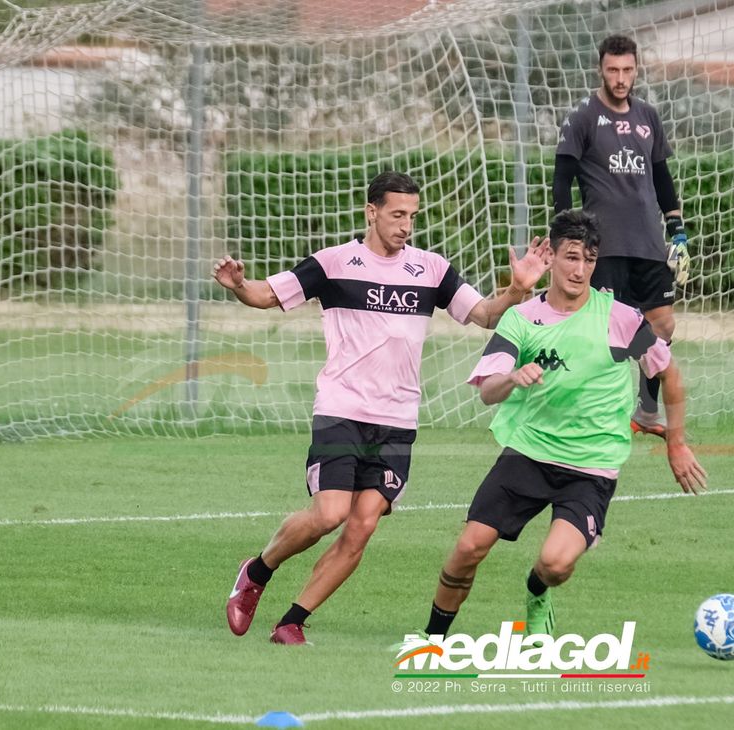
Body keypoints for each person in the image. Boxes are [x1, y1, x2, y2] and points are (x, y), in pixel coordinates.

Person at [213, 170, 551, 645]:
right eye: (397, 215)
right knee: (329, 514)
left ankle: (292, 621)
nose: (405, 225)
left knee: (363, 526)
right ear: (371, 212)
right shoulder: (334, 263)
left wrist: (517, 289)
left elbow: (484, 315)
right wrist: (238, 286)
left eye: (412, 216)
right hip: (342, 408)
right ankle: (257, 572)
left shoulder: (431, 269)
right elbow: (266, 295)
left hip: (397, 420)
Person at [419, 209, 706, 641]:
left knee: (554, 564)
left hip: (590, 466)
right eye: (571, 257)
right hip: (528, 454)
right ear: (551, 257)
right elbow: (488, 390)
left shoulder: (620, 318)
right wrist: (513, 377)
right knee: (468, 547)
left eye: (589, 260)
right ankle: (432, 641)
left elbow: (669, 373)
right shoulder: (521, 318)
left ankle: (537, 592)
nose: (580, 270)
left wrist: (676, 443)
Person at [553, 34, 689, 439]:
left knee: (662, 326)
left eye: (627, 70)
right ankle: (586, 411)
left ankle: (646, 410)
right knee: (602, 332)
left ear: (636, 70)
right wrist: (565, 234)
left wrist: (677, 229)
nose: (620, 78)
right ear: (601, 69)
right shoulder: (582, 116)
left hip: (648, 242)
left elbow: (661, 176)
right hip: (604, 247)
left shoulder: (648, 116)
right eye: (613, 70)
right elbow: (562, 179)